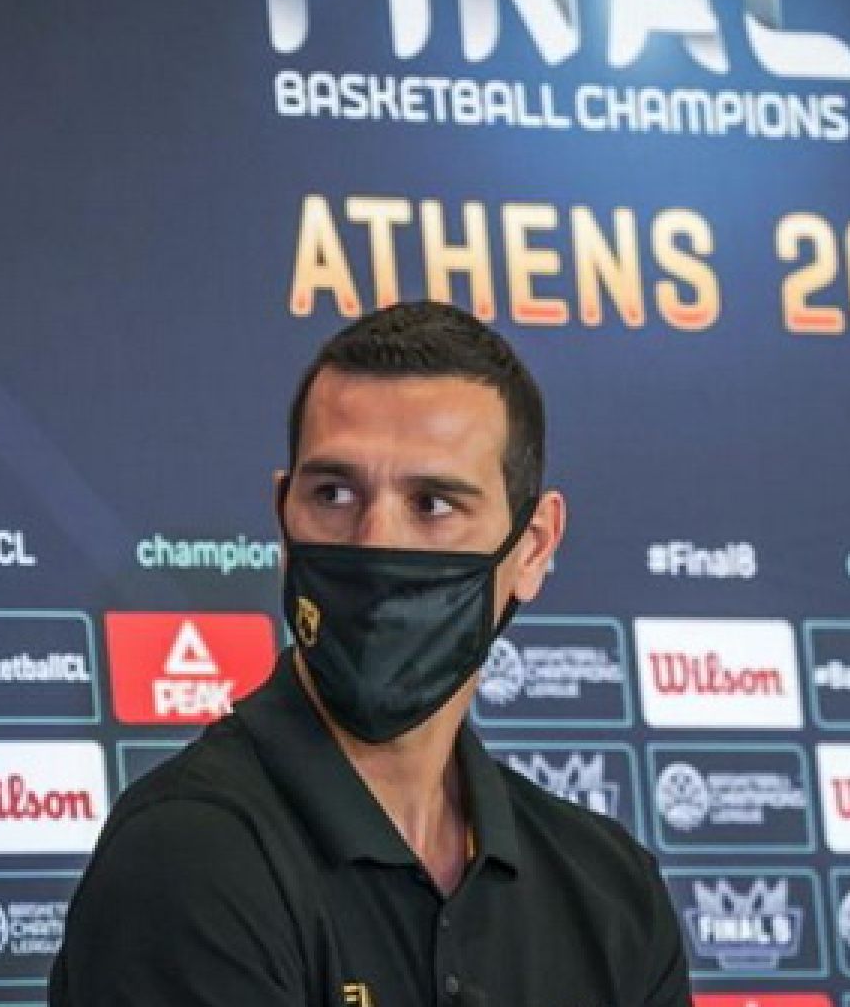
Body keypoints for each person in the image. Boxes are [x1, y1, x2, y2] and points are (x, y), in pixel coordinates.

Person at [51, 300, 692, 1006]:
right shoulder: (187, 854)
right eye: (334, 494)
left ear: (534, 547)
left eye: (433, 504)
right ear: (283, 519)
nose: (375, 540)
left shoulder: (610, 891)